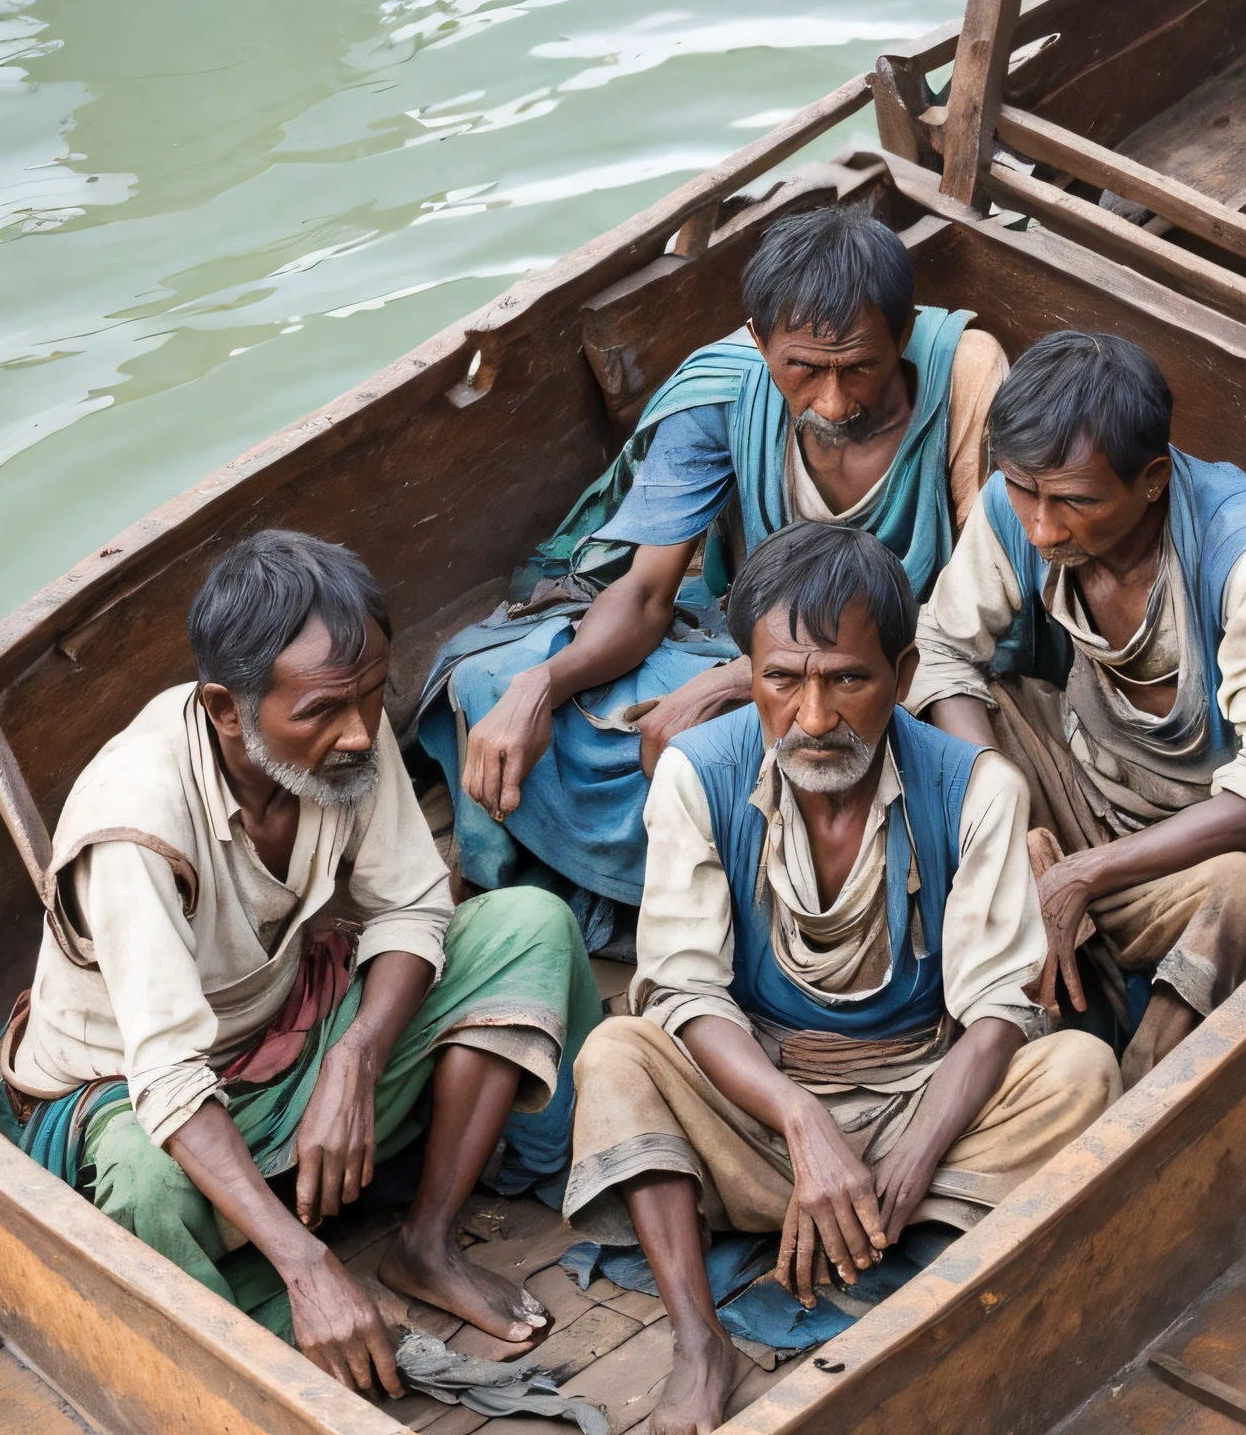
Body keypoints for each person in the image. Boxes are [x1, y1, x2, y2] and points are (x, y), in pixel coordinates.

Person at [0, 529, 600, 1393]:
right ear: (227, 709)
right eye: (322, 713)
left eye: (372, 697)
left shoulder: (342, 715)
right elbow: (166, 1076)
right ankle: (283, 1330)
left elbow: (415, 907)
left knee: (528, 927)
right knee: (147, 1190)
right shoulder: (135, 826)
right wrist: (308, 1266)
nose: (358, 735)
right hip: (138, 1091)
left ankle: (424, 1243)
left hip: (285, 1037)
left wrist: (355, 1059)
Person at [563, 521, 1121, 1435]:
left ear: (902, 674)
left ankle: (894, 1237)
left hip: (920, 1101)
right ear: (749, 672)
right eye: (783, 680)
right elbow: (685, 990)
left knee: (1079, 1071)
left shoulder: (977, 787)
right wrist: (802, 1125)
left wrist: (904, 1168)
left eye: (848, 681)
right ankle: (701, 1341)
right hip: (763, 1113)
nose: (813, 717)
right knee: (618, 1053)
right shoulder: (700, 775)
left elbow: (997, 1013)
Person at [417, 202, 1008, 951]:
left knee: (802, 750)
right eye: (805, 370)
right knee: (493, 685)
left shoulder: (966, 375)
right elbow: (643, 593)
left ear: (902, 333)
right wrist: (543, 686)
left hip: (891, 676)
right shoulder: (724, 391)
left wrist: (734, 682)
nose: (833, 400)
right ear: (760, 344)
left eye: (859, 366)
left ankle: (724, 895)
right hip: (748, 643)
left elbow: (975, 608)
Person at [908, 331, 1246, 1079]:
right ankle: (1006, 1006)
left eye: (1076, 502)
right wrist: (1010, 816)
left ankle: (1131, 1093)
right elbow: (942, 647)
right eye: (1022, 490)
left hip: (1241, 846)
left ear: (1154, 480)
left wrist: (1084, 874)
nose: (1042, 526)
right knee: (959, 723)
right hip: (1100, 787)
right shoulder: (1021, 507)